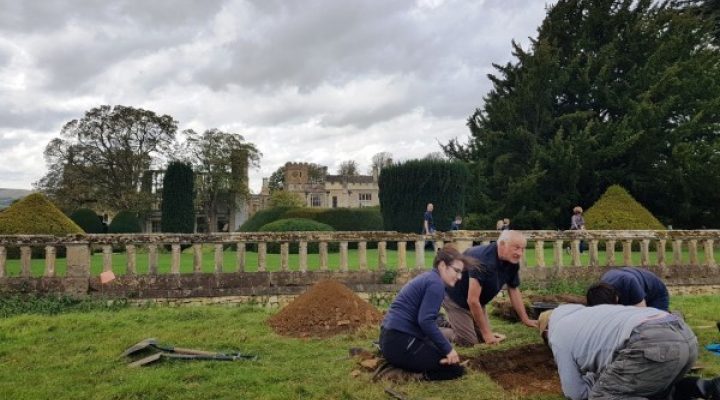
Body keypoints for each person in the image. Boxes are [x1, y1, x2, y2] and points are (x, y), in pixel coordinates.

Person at [538, 305, 720, 400]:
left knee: (604, 396)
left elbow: (575, 393)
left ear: (546, 332)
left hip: (651, 343)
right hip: (684, 335)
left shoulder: (557, 334)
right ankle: (708, 388)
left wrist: (595, 382)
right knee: (656, 390)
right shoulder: (589, 315)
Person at [378, 245, 473, 381]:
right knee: (455, 369)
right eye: (456, 271)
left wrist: (443, 348)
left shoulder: (430, 278)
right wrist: (448, 350)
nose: (459, 277)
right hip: (399, 342)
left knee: (443, 352)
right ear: (442, 265)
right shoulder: (436, 284)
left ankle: (406, 364)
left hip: (390, 339)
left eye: (461, 272)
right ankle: (409, 376)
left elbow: (425, 320)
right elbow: (425, 321)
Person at [443, 230, 537, 346]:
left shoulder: (512, 262)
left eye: (522, 249)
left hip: (478, 302)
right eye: (516, 248)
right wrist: (487, 334)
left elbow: (513, 289)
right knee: (469, 342)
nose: (520, 253)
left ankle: (455, 323)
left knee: (482, 338)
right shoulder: (482, 260)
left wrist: (525, 319)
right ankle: (436, 329)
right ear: (502, 244)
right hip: (454, 298)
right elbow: (472, 300)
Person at [587, 266, 670, 311]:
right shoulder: (599, 292)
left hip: (656, 293)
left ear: (616, 298)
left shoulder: (629, 282)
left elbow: (641, 313)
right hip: (634, 287)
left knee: (653, 324)